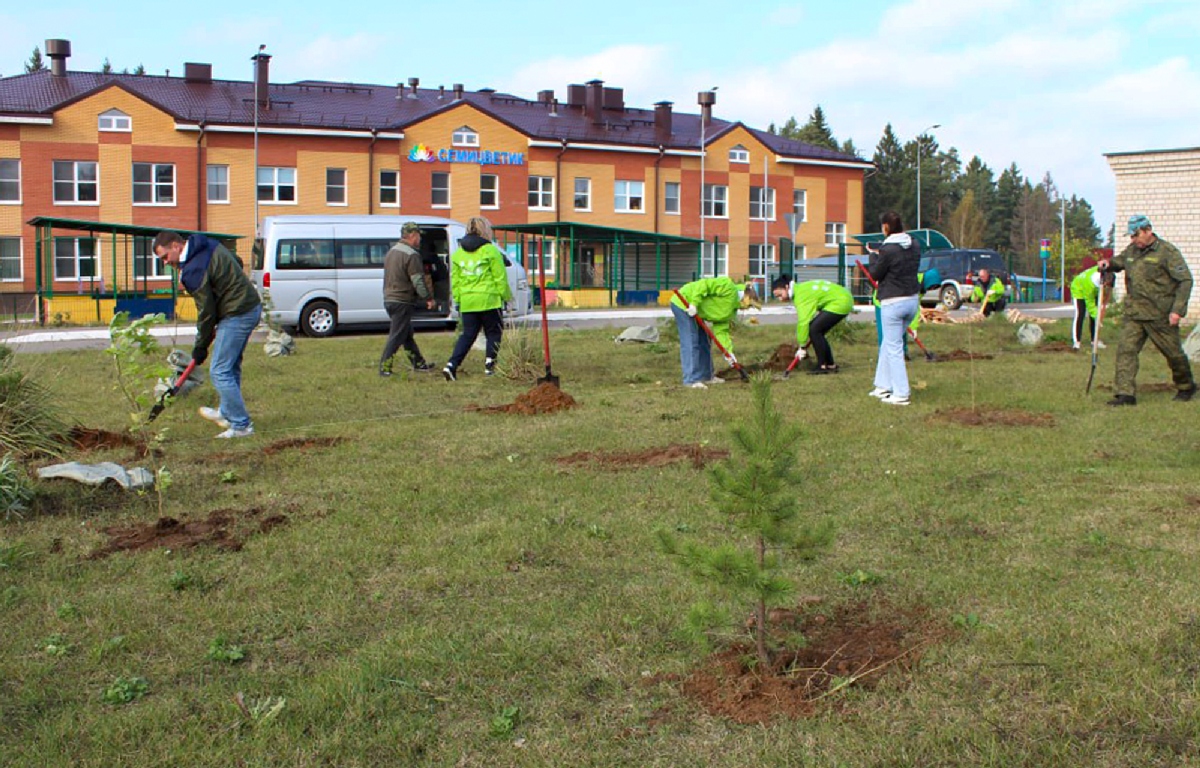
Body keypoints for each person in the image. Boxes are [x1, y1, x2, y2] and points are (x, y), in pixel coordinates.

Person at [153, 230, 262, 438]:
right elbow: (236, 261)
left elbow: (206, 312)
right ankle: (228, 412)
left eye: (165, 257)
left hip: (238, 312)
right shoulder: (205, 244)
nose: (165, 263)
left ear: (176, 246)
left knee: (219, 370)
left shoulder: (193, 270)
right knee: (230, 366)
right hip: (246, 306)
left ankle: (241, 426)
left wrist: (200, 346)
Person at [1096, 215, 1195, 406]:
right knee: (1126, 351)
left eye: (1136, 235)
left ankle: (1186, 386)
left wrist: (1178, 310)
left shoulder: (1167, 252)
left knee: (1173, 354)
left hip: (1160, 315)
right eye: (1131, 236)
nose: (1134, 240)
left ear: (1148, 231)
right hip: (1135, 314)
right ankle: (1125, 394)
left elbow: (1185, 281)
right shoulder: (1132, 250)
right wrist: (1108, 263)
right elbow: (1119, 261)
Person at [442, 217, 512, 381]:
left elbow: (456, 280)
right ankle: (490, 366)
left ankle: (452, 365)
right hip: (489, 299)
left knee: (467, 335)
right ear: (486, 231)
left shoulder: (458, 254)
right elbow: (499, 277)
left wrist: (458, 300)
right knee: (493, 332)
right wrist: (506, 297)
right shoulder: (491, 251)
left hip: (468, 300)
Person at [865, 211, 921, 405]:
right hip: (912, 300)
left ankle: (901, 393)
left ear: (886, 227)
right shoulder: (914, 244)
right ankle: (883, 385)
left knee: (894, 348)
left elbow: (876, 273)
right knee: (889, 343)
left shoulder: (887, 249)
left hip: (893, 302)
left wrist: (873, 256)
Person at [670, 277, 760, 389]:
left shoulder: (730, 311)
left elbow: (721, 331)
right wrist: (694, 303)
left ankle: (706, 376)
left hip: (696, 311)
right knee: (691, 341)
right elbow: (703, 285)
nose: (747, 308)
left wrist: (728, 352)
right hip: (683, 302)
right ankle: (691, 380)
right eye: (750, 305)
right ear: (746, 298)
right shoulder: (727, 286)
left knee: (705, 341)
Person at [379, 222, 436, 377]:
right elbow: (418, 280)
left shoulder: (391, 252)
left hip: (389, 298)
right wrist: (428, 298)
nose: (420, 239)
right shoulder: (411, 255)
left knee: (406, 334)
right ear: (412, 235)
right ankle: (384, 367)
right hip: (402, 300)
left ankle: (419, 363)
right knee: (397, 335)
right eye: (418, 235)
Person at [771, 276, 852, 374]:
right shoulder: (801, 289)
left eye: (780, 295)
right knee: (817, 331)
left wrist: (802, 346)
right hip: (843, 299)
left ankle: (822, 366)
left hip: (840, 302)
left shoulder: (801, 296)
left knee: (814, 330)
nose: (780, 299)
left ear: (787, 287)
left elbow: (803, 322)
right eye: (777, 297)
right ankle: (830, 365)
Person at [1070, 266, 1107, 350]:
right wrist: (1098, 318)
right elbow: (1090, 306)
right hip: (1078, 289)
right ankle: (1077, 342)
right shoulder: (1089, 286)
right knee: (1080, 314)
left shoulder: (1102, 270)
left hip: (1093, 289)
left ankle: (1094, 340)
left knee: (1094, 315)